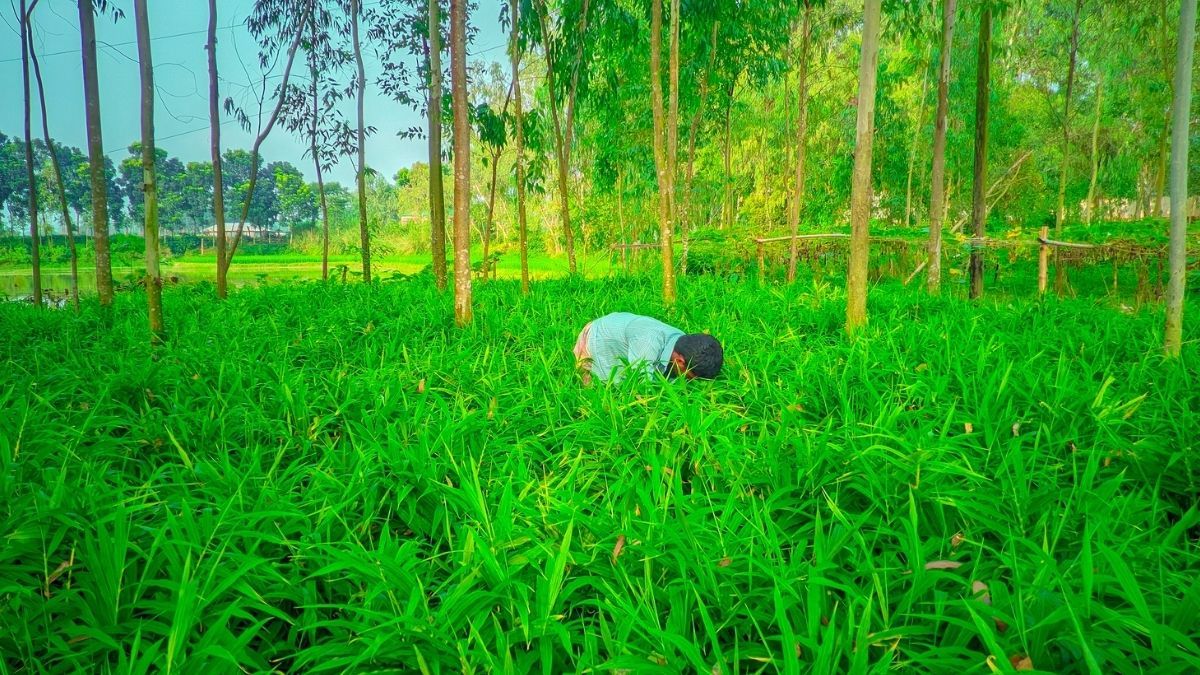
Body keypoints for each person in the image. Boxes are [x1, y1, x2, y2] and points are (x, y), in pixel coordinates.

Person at [573, 312, 723, 385]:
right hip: (595, 337)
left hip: (625, 331)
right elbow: (642, 389)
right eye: (688, 377)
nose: (687, 381)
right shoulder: (647, 343)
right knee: (600, 389)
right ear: (679, 361)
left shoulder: (682, 341)